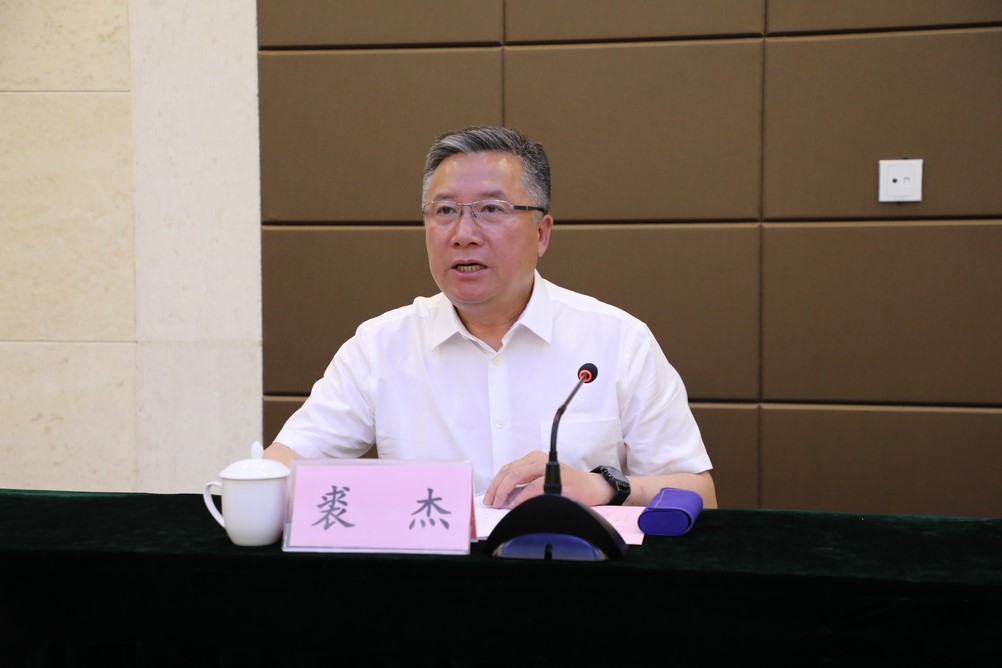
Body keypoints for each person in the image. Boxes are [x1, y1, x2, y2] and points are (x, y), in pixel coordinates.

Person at [263, 125, 717, 510]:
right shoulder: (381, 346)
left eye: (491, 210)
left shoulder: (617, 340)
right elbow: (283, 464)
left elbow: (700, 494)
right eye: (445, 211)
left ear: (541, 233)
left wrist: (604, 486)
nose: (464, 234)